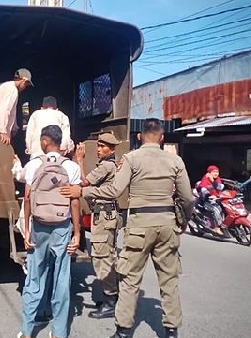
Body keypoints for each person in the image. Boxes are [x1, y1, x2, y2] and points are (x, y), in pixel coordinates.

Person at [59, 119, 194, 338]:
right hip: (167, 224)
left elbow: (114, 190)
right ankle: (170, 331)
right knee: (169, 280)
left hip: (140, 226)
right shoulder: (175, 160)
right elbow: (187, 198)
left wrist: (82, 192)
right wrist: (183, 220)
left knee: (130, 280)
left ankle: (123, 332)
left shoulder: (131, 159)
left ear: (140, 137)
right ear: (162, 138)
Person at [18, 125, 81, 338]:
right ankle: (59, 332)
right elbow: (75, 202)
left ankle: (27, 331)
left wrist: (27, 231)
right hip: (62, 226)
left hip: (39, 226)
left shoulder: (34, 164)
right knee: (62, 278)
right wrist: (77, 233)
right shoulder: (72, 167)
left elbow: (27, 199)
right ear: (60, 141)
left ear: (45, 141)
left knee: (35, 277)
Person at [73, 132, 122, 319]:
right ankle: (112, 298)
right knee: (107, 255)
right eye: (98, 146)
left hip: (104, 216)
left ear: (112, 149)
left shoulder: (106, 166)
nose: (99, 150)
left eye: (103, 147)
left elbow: (84, 183)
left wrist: (79, 160)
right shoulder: (110, 165)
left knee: (103, 258)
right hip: (106, 214)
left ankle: (110, 302)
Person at [197, 165, 225, 235]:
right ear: (209, 173)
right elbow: (203, 190)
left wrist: (212, 181)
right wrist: (209, 196)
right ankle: (217, 227)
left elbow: (220, 188)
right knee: (216, 210)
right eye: (214, 172)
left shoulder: (217, 179)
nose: (216, 173)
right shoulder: (205, 179)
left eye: (217, 172)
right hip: (206, 200)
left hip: (216, 199)